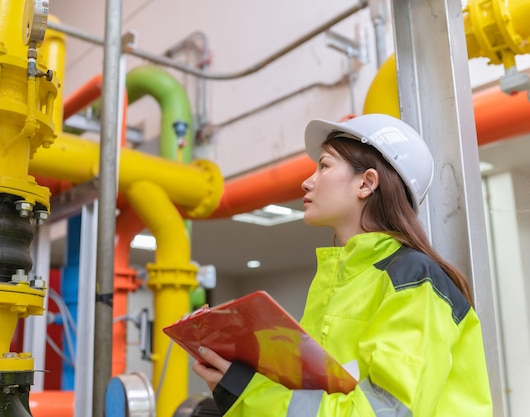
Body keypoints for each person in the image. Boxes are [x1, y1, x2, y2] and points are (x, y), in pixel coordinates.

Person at [192, 113, 493, 416]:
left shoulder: (412, 278)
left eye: (323, 166)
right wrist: (240, 377)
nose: (307, 181)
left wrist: (250, 395)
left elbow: (385, 412)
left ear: (366, 182)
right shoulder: (336, 283)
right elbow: (313, 399)